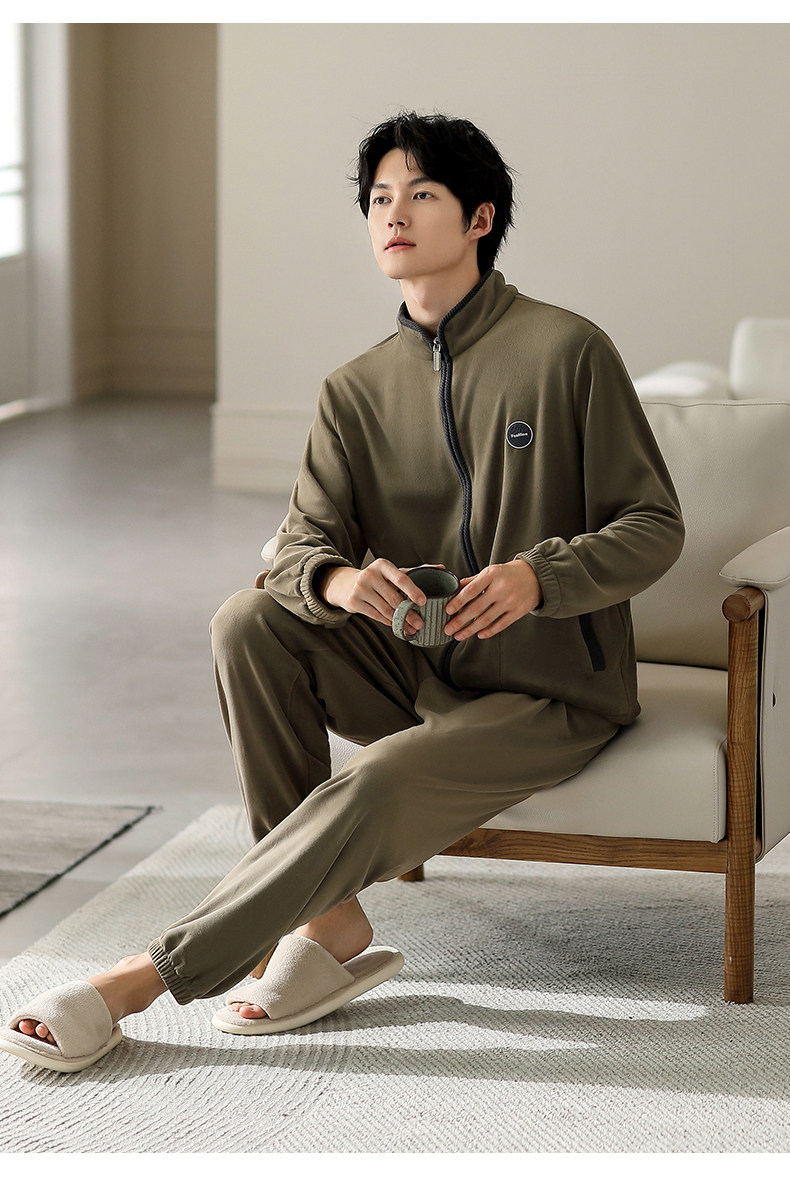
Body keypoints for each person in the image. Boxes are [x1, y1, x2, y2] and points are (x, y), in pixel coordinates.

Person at [0, 111, 684, 1072]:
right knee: (248, 622)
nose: (393, 215)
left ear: (480, 217)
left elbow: (655, 524)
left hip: (550, 694)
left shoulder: (567, 351)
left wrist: (541, 576)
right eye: (379, 199)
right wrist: (340, 578)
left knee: (379, 776)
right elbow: (296, 547)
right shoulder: (355, 389)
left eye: (422, 194)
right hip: (414, 670)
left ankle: (137, 979)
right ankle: (328, 920)